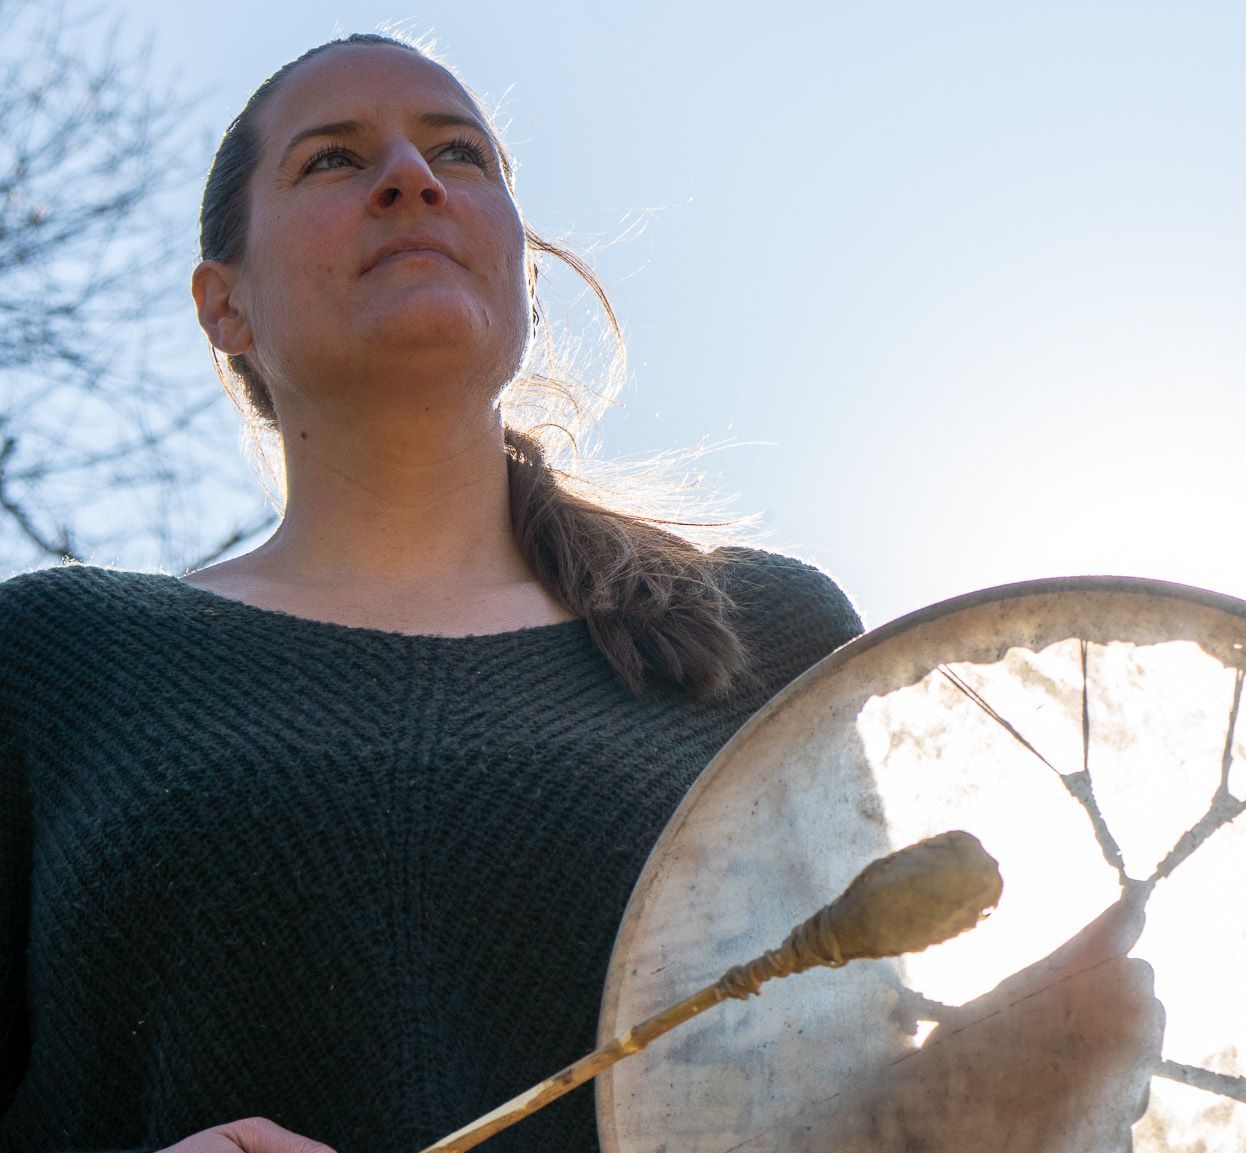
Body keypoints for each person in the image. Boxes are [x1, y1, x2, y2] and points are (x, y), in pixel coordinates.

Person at [0, 33, 861, 1153]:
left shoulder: (770, 637)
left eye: (459, 154)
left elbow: (875, 1088)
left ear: (523, 273)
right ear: (226, 308)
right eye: (330, 160)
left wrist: (1056, 1059)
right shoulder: (56, 659)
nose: (410, 176)